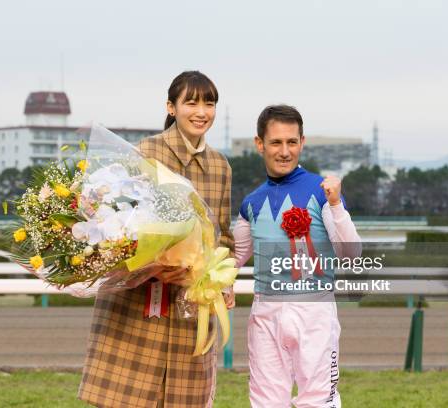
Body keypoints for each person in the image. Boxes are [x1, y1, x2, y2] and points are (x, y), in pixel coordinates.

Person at [78, 71, 235, 408]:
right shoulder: (143, 154)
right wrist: (152, 264)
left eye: (209, 103)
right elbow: (112, 227)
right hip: (135, 307)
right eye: (191, 102)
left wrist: (217, 278)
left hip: (188, 311)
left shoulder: (221, 167)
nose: (201, 111)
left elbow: (223, 237)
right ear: (171, 107)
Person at [233, 105, 361, 408]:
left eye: (292, 142)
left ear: (302, 142)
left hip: (315, 311)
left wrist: (336, 206)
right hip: (265, 313)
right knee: (265, 402)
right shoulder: (250, 203)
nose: (284, 151)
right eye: (276, 142)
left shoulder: (323, 193)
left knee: (318, 401)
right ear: (259, 144)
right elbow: (234, 257)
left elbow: (351, 254)